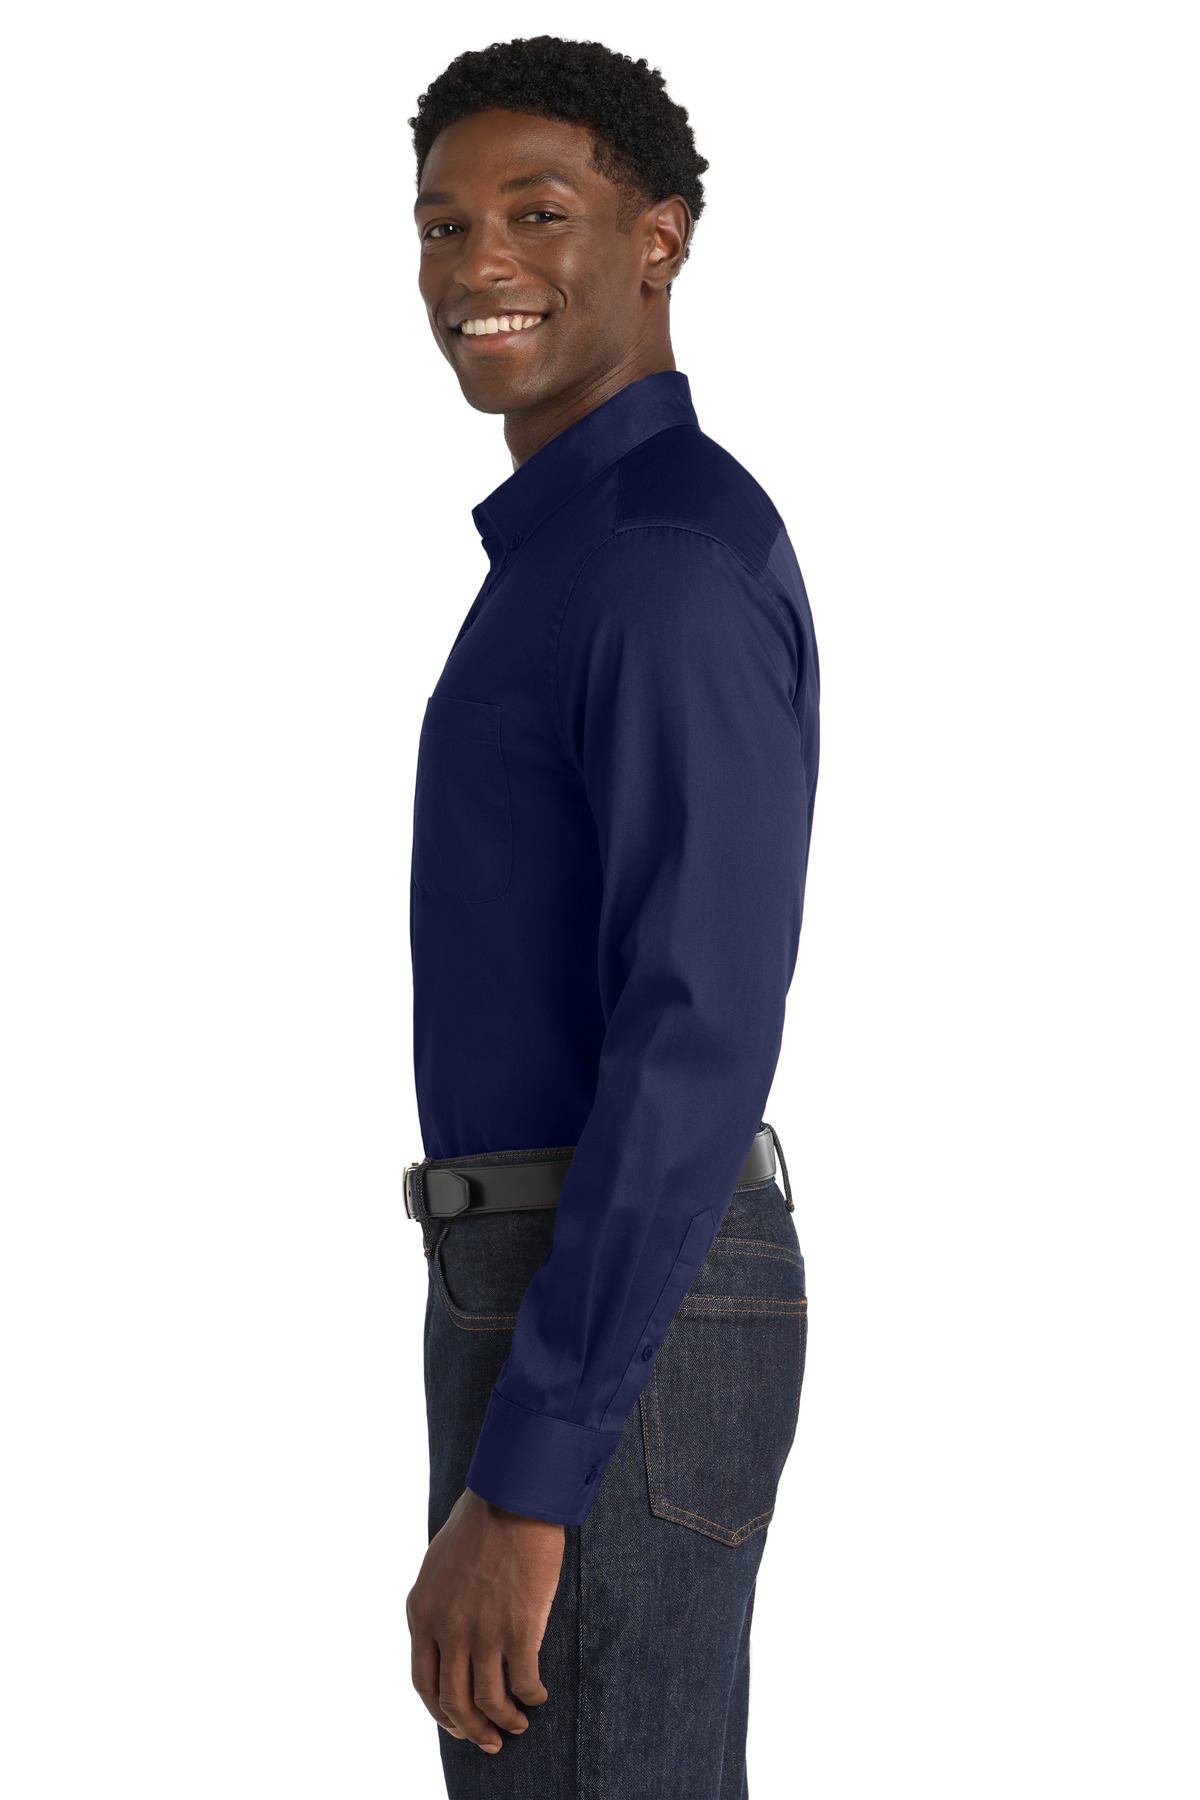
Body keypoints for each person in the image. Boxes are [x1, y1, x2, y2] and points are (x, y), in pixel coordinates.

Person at [402, 36, 820, 1799]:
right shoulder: (579, 552)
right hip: (568, 1280)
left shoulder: (656, 560)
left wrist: (531, 1474)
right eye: (443, 224)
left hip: (605, 1289)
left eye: (536, 212)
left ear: (661, 238)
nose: (476, 263)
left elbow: (695, 1026)